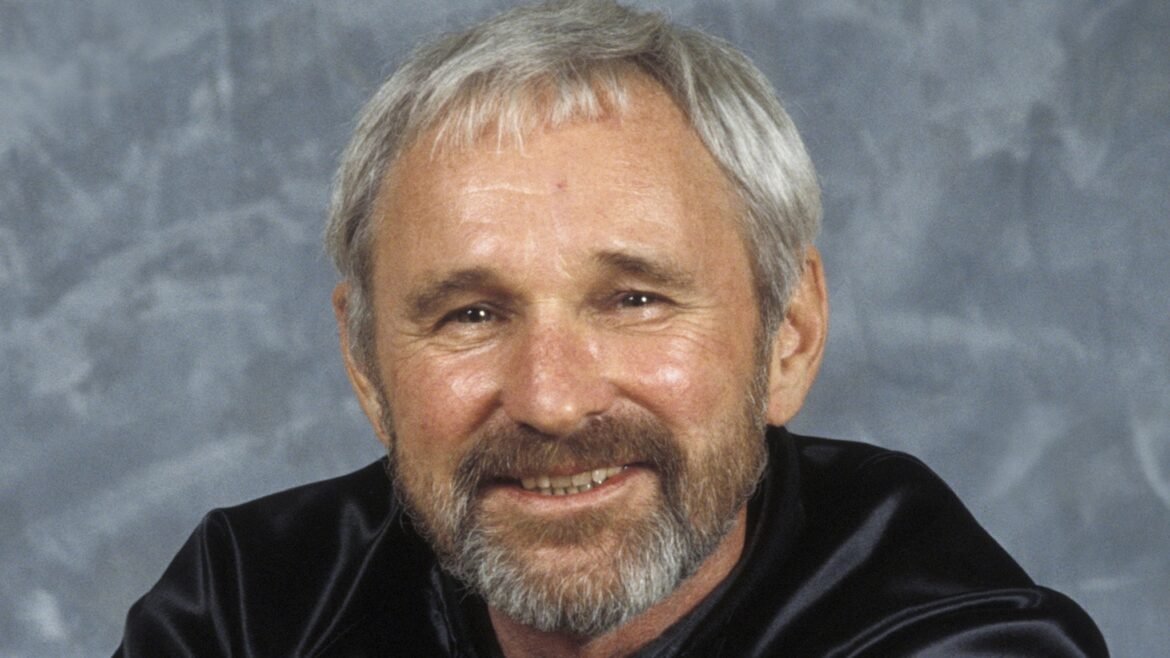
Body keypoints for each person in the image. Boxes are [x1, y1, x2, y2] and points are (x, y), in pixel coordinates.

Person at [116, 1, 1108, 656]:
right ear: (366, 366)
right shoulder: (249, 609)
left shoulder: (958, 642)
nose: (552, 399)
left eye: (635, 300)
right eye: (472, 314)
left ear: (790, 337)